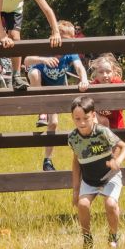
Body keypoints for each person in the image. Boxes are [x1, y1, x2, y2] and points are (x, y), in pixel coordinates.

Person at [24, 20, 89, 171]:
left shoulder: (69, 53)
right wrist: (43, 59)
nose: (64, 43)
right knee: (33, 73)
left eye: (68, 40)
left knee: (53, 123)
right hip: (41, 89)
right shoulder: (46, 48)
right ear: (54, 36)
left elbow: (79, 67)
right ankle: (41, 111)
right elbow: (27, 60)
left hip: (56, 89)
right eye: (62, 39)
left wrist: (84, 79)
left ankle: (47, 160)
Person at [68, 96, 125, 249]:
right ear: (72, 118)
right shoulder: (72, 138)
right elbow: (76, 162)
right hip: (89, 180)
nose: (82, 123)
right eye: (77, 119)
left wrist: (118, 160)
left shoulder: (102, 132)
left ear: (93, 116)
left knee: (110, 204)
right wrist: (76, 189)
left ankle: (113, 235)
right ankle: (87, 238)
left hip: (109, 177)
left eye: (86, 118)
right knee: (83, 205)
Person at [90, 53, 125, 129]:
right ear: (96, 73)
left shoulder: (118, 84)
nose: (105, 75)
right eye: (101, 72)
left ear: (114, 72)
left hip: (117, 125)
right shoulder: (93, 86)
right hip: (100, 125)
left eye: (108, 72)